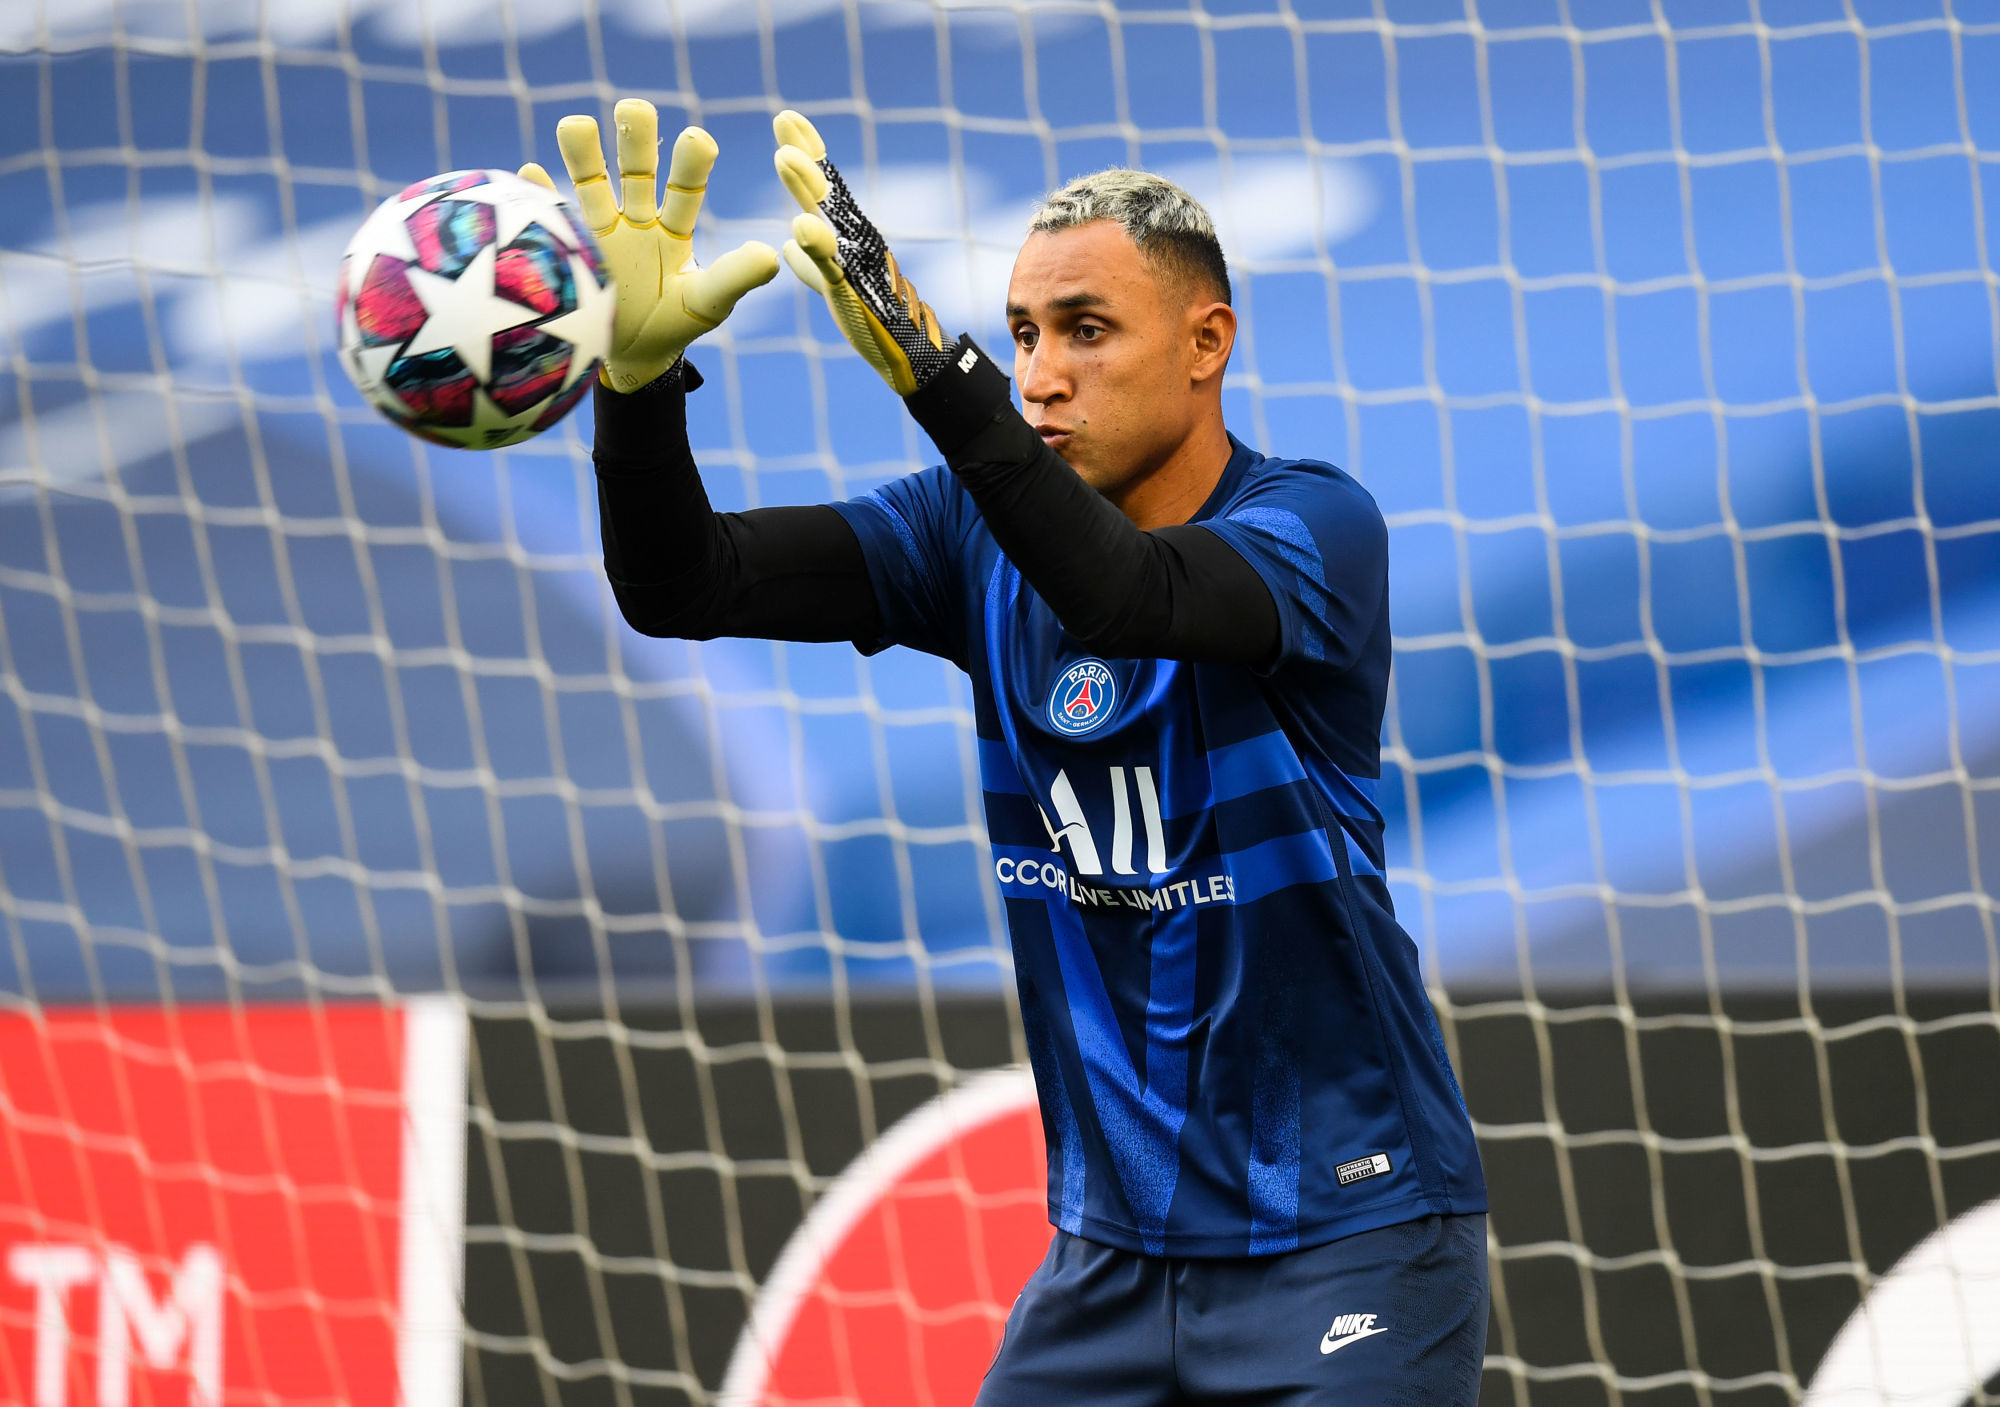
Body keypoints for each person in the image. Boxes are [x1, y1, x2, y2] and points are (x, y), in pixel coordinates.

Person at [523, 98, 1489, 1407]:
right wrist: (637, 398)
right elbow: (682, 584)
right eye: (1024, 333)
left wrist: (939, 370)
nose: (1040, 371)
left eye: (1087, 331)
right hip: (1109, 1268)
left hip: (1352, 1240)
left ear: (1208, 344)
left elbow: (1129, 595)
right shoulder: (964, 536)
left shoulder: (1314, 529)